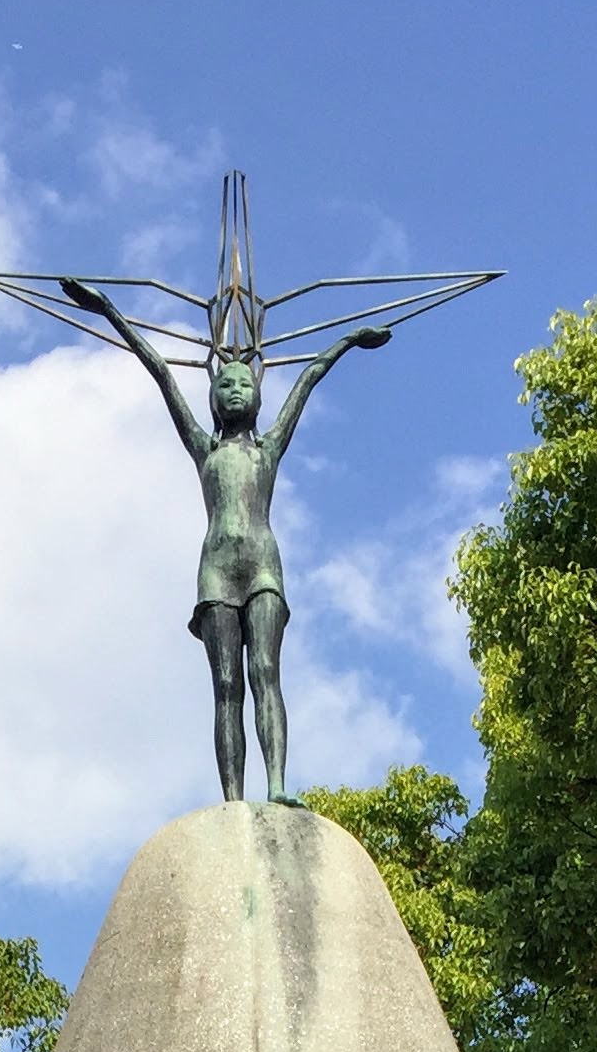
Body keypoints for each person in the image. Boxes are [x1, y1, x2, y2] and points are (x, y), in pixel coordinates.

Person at [58, 277, 390, 804]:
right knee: (226, 688)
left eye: (244, 383)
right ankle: (234, 800)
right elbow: (160, 373)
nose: (235, 389)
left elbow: (308, 378)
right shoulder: (204, 450)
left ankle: (277, 785)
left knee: (265, 674)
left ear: (258, 394)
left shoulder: (269, 449)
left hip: (262, 564)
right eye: (225, 384)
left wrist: (348, 341)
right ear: (212, 397)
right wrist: (109, 311)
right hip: (215, 569)